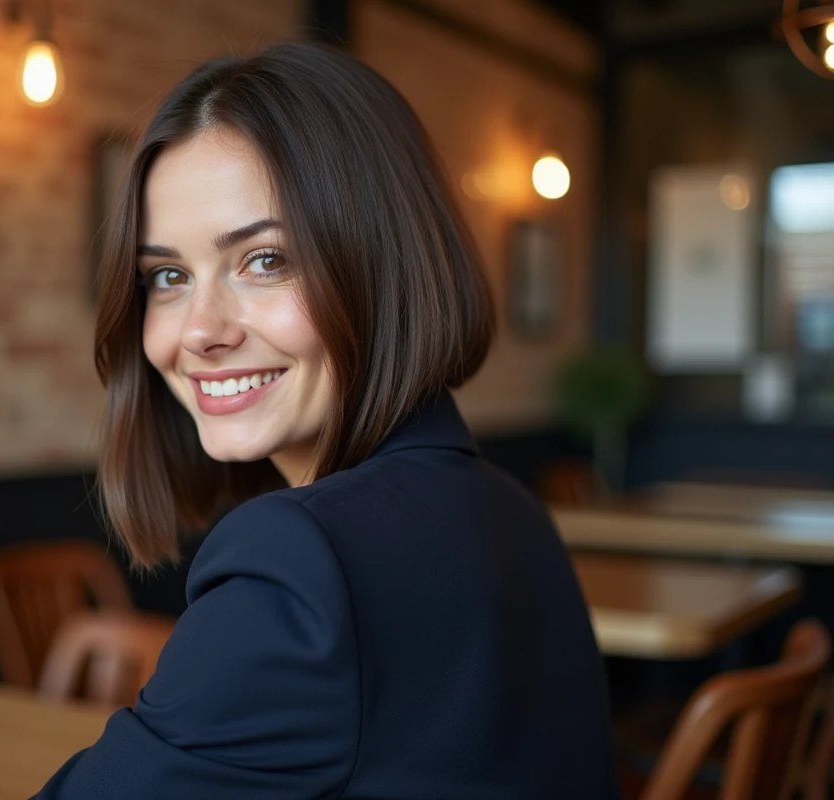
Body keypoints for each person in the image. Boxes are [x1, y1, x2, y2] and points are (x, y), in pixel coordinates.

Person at [35, 41, 618, 799]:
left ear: (383, 266)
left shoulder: (300, 559)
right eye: (168, 277)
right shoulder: (512, 507)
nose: (201, 329)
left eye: (266, 260)